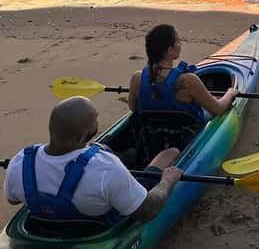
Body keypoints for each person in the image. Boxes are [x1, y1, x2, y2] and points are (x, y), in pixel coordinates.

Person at [3, 96, 183, 226]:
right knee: (169, 153)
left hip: (46, 226)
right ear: (85, 134)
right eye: (95, 119)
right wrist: (167, 181)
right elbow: (147, 211)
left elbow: (12, 200)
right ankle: (162, 162)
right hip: (98, 226)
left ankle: (129, 155)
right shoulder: (106, 167)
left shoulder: (20, 161)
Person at [128, 24, 237, 122]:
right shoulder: (188, 81)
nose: (180, 44)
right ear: (170, 50)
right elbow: (218, 109)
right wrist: (230, 93)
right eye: (178, 42)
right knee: (209, 108)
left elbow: (133, 108)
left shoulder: (137, 78)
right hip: (186, 139)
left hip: (151, 136)